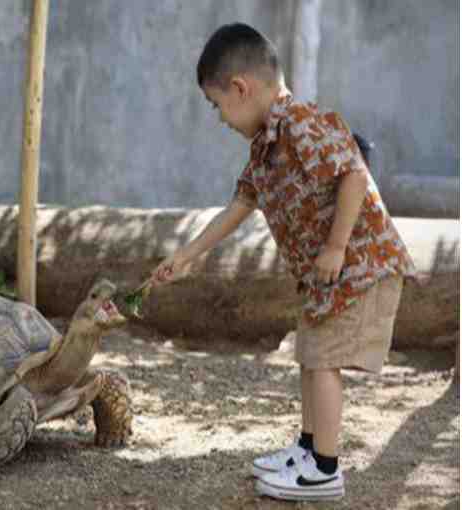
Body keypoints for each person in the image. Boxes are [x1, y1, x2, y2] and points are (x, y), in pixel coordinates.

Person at [150, 23, 416, 502]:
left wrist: (335, 247)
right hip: (328, 278)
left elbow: (354, 174)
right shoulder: (265, 146)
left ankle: (326, 470)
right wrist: (187, 256)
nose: (220, 118)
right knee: (310, 356)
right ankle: (309, 449)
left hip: (359, 267)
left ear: (240, 88)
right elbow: (238, 207)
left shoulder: (301, 123)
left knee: (324, 361)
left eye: (217, 106)